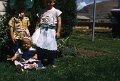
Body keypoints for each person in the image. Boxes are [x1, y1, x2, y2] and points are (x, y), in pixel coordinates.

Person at [32, 0, 62, 67]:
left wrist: (58, 32)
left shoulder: (56, 11)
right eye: (47, 2)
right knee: (40, 44)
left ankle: (51, 61)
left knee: (51, 45)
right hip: (42, 31)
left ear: (54, 2)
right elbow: (39, 21)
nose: (49, 4)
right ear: (45, 2)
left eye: (50, 2)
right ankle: (40, 60)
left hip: (51, 31)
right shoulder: (42, 11)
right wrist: (36, 28)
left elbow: (59, 22)